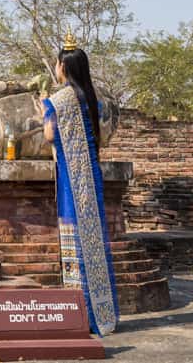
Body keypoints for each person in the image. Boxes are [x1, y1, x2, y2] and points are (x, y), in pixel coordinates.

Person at [43, 33, 120, 336]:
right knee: (95, 239)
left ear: (63, 66)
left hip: (70, 180)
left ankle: (81, 313)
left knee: (75, 237)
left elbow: (50, 136)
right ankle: (101, 310)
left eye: (57, 63)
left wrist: (44, 115)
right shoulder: (92, 98)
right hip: (91, 174)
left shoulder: (58, 100)